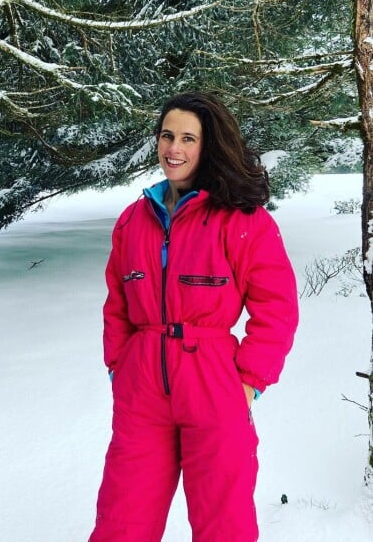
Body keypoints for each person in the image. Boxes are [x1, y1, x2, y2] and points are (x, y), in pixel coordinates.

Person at [89, 91, 298, 542]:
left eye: (188, 138)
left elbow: (277, 305)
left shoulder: (242, 220)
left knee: (224, 523)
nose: (174, 149)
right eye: (167, 136)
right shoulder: (133, 220)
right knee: (122, 519)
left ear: (209, 146)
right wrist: (119, 367)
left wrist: (249, 381)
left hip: (214, 381)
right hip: (142, 385)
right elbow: (117, 304)